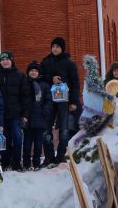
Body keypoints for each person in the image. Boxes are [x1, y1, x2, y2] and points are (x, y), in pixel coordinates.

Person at [39, 37, 80, 165]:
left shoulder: (69, 63)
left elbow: (75, 83)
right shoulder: (45, 62)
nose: (55, 49)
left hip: (64, 100)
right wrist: (51, 79)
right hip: (49, 100)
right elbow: (40, 76)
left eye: (57, 47)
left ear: (62, 48)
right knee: (46, 128)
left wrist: (73, 101)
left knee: (64, 128)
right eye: (53, 47)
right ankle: (49, 156)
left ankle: (61, 155)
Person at [0, 51, 26, 171]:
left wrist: (25, 114)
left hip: (16, 114)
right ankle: (5, 162)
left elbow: (25, 96)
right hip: (1, 115)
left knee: (18, 138)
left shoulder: (20, 75)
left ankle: (17, 163)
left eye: (7, 59)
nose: (5, 61)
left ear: (12, 60)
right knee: (4, 140)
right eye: (2, 59)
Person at [21, 62, 51, 170]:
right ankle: (26, 163)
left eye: (35, 71)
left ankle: (37, 163)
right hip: (28, 118)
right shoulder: (24, 84)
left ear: (38, 73)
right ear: (28, 72)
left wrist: (45, 111)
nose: (33, 72)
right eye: (31, 71)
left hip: (40, 118)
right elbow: (22, 99)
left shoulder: (44, 85)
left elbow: (48, 100)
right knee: (27, 143)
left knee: (38, 143)